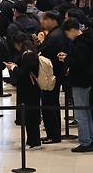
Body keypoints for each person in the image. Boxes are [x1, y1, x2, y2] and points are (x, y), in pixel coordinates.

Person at [58, 19, 93, 152]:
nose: (67, 36)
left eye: (68, 33)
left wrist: (66, 59)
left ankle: (85, 142)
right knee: (86, 112)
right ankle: (92, 139)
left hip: (80, 81)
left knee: (80, 113)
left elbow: (79, 63)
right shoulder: (87, 40)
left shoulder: (80, 44)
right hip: (87, 80)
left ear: (73, 30)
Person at [5, 37, 42, 149]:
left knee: (30, 117)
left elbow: (23, 74)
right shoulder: (32, 54)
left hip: (28, 90)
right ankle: (32, 140)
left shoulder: (27, 55)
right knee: (31, 116)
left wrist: (13, 68)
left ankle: (34, 142)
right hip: (32, 89)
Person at [36, 11, 67, 144]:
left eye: (45, 20)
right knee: (51, 103)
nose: (43, 22)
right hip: (53, 73)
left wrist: (40, 45)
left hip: (52, 74)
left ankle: (53, 135)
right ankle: (53, 134)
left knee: (49, 103)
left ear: (53, 20)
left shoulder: (55, 36)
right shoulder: (56, 34)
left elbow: (45, 51)